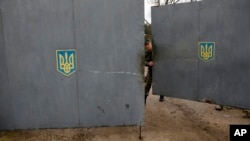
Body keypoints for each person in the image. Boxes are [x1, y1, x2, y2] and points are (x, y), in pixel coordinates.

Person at [144, 39, 164, 104]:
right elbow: (143, 61)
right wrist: (148, 63)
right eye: (146, 47)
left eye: (147, 45)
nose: (147, 47)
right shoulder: (147, 52)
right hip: (151, 70)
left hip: (159, 71)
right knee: (148, 85)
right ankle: (144, 100)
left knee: (160, 84)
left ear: (150, 43)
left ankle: (162, 96)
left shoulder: (158, 50)